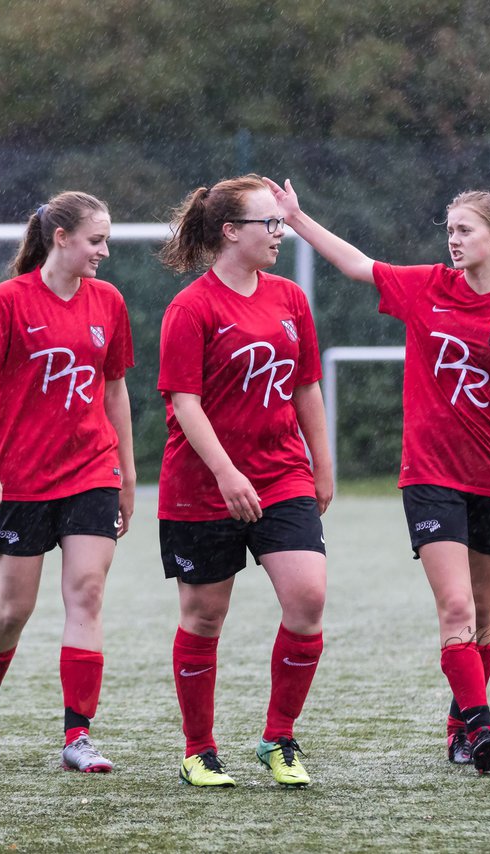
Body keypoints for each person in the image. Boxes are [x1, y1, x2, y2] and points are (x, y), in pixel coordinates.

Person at [265, 177, 490, 774]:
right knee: (455, 609)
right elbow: (357, 265)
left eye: (464, 230)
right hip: (430, 477)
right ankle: (482, 726)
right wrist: (297, 218)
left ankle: (458, 726)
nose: (453, 240)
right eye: (448, 230)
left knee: (484, 614)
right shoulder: (426, 287)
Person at [157, 174, 332, 788]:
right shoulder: (191, 307)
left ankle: (279, 738)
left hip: (281, 473)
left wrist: (322, 462)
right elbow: (184, 402)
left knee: (308, 599)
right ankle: (198, 749)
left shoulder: (289, 298)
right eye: (270, 224)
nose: (280, 234)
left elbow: (306, 385)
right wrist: (226, 472)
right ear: (231, 232)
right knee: (204, 616)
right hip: (201, 485)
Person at [0, 191, 135, 774]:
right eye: (95, 240)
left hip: (92, 472)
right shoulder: (9, 301)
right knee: (14, 607)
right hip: (24, 480)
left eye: (105, 240)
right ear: (60, 237)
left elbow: (114, 392)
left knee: (86, 593)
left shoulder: (108, 302)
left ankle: (78, 736)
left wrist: (127, 475)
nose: (104, 251)